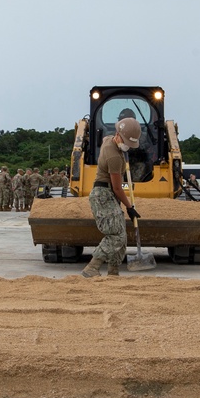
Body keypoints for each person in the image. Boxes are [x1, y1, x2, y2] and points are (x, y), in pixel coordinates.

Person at [81, 118, 141, 278]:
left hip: (108, 194)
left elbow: (105, 138)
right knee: (116, 235)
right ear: (118, 135)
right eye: (126, 142)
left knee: (121, 234)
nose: (127, 146)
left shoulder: (108, 140)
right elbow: (117, 188)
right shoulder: (114, 158)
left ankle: (113, 271)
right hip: (103, 194)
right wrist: (130, 207)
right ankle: (92, 267)